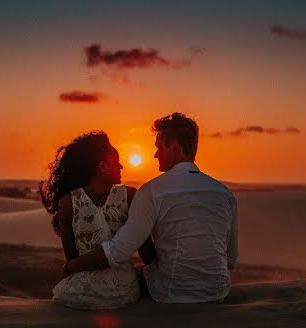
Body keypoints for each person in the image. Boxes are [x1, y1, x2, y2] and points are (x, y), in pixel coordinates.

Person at [65, 112, 238, 303]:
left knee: (133, 278)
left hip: (171, 293)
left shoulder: (152, 191)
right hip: (217, 291)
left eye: (158, 147)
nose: (155, 154)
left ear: (174, 147)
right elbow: (230, 259)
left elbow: (119, 250)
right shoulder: (225, 194)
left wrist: (72, 266)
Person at [40, 131, 156, 309]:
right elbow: (147, 254)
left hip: (79, 295)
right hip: (123, 294)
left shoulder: (67, 203)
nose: (122, 166)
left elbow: (72, 261)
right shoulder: (130, 196)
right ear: (102, 166)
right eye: (116, 161)